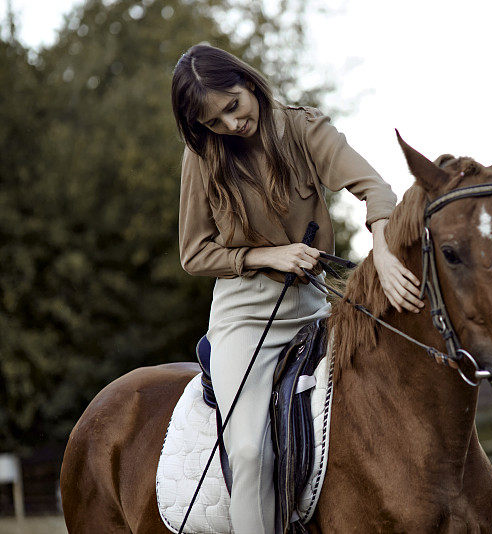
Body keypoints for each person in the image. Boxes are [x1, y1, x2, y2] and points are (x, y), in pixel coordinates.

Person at [171, 43, 424, 533]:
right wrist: (267, 255)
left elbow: (375, 187)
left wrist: (385, 248)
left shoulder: (306, 127)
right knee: (247, 449)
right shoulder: (201, 158)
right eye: (214, 122)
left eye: (233, 106)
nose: (230, 125)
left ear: (247, 82)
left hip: (315, 304)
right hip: (245, 314)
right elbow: (195, 254)